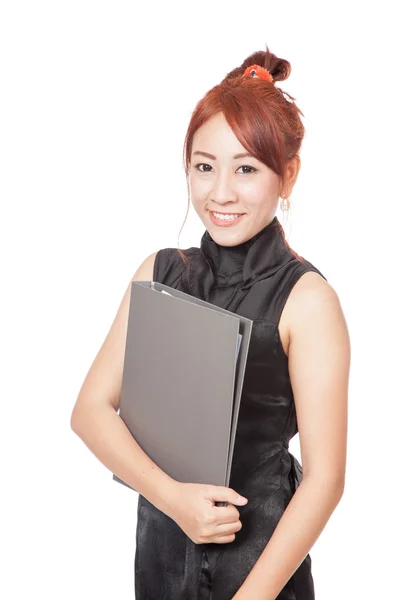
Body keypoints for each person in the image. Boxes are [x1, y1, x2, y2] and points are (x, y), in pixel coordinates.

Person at [71, 44, 350, 600]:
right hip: (160, 558)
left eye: (246, 169)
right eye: (204, 167)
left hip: (260, 572)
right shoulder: (158, 272)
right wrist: (172, 498)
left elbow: (325, 480)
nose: (220, 193)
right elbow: (89, 412)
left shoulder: (307, 300)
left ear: (287, 175)